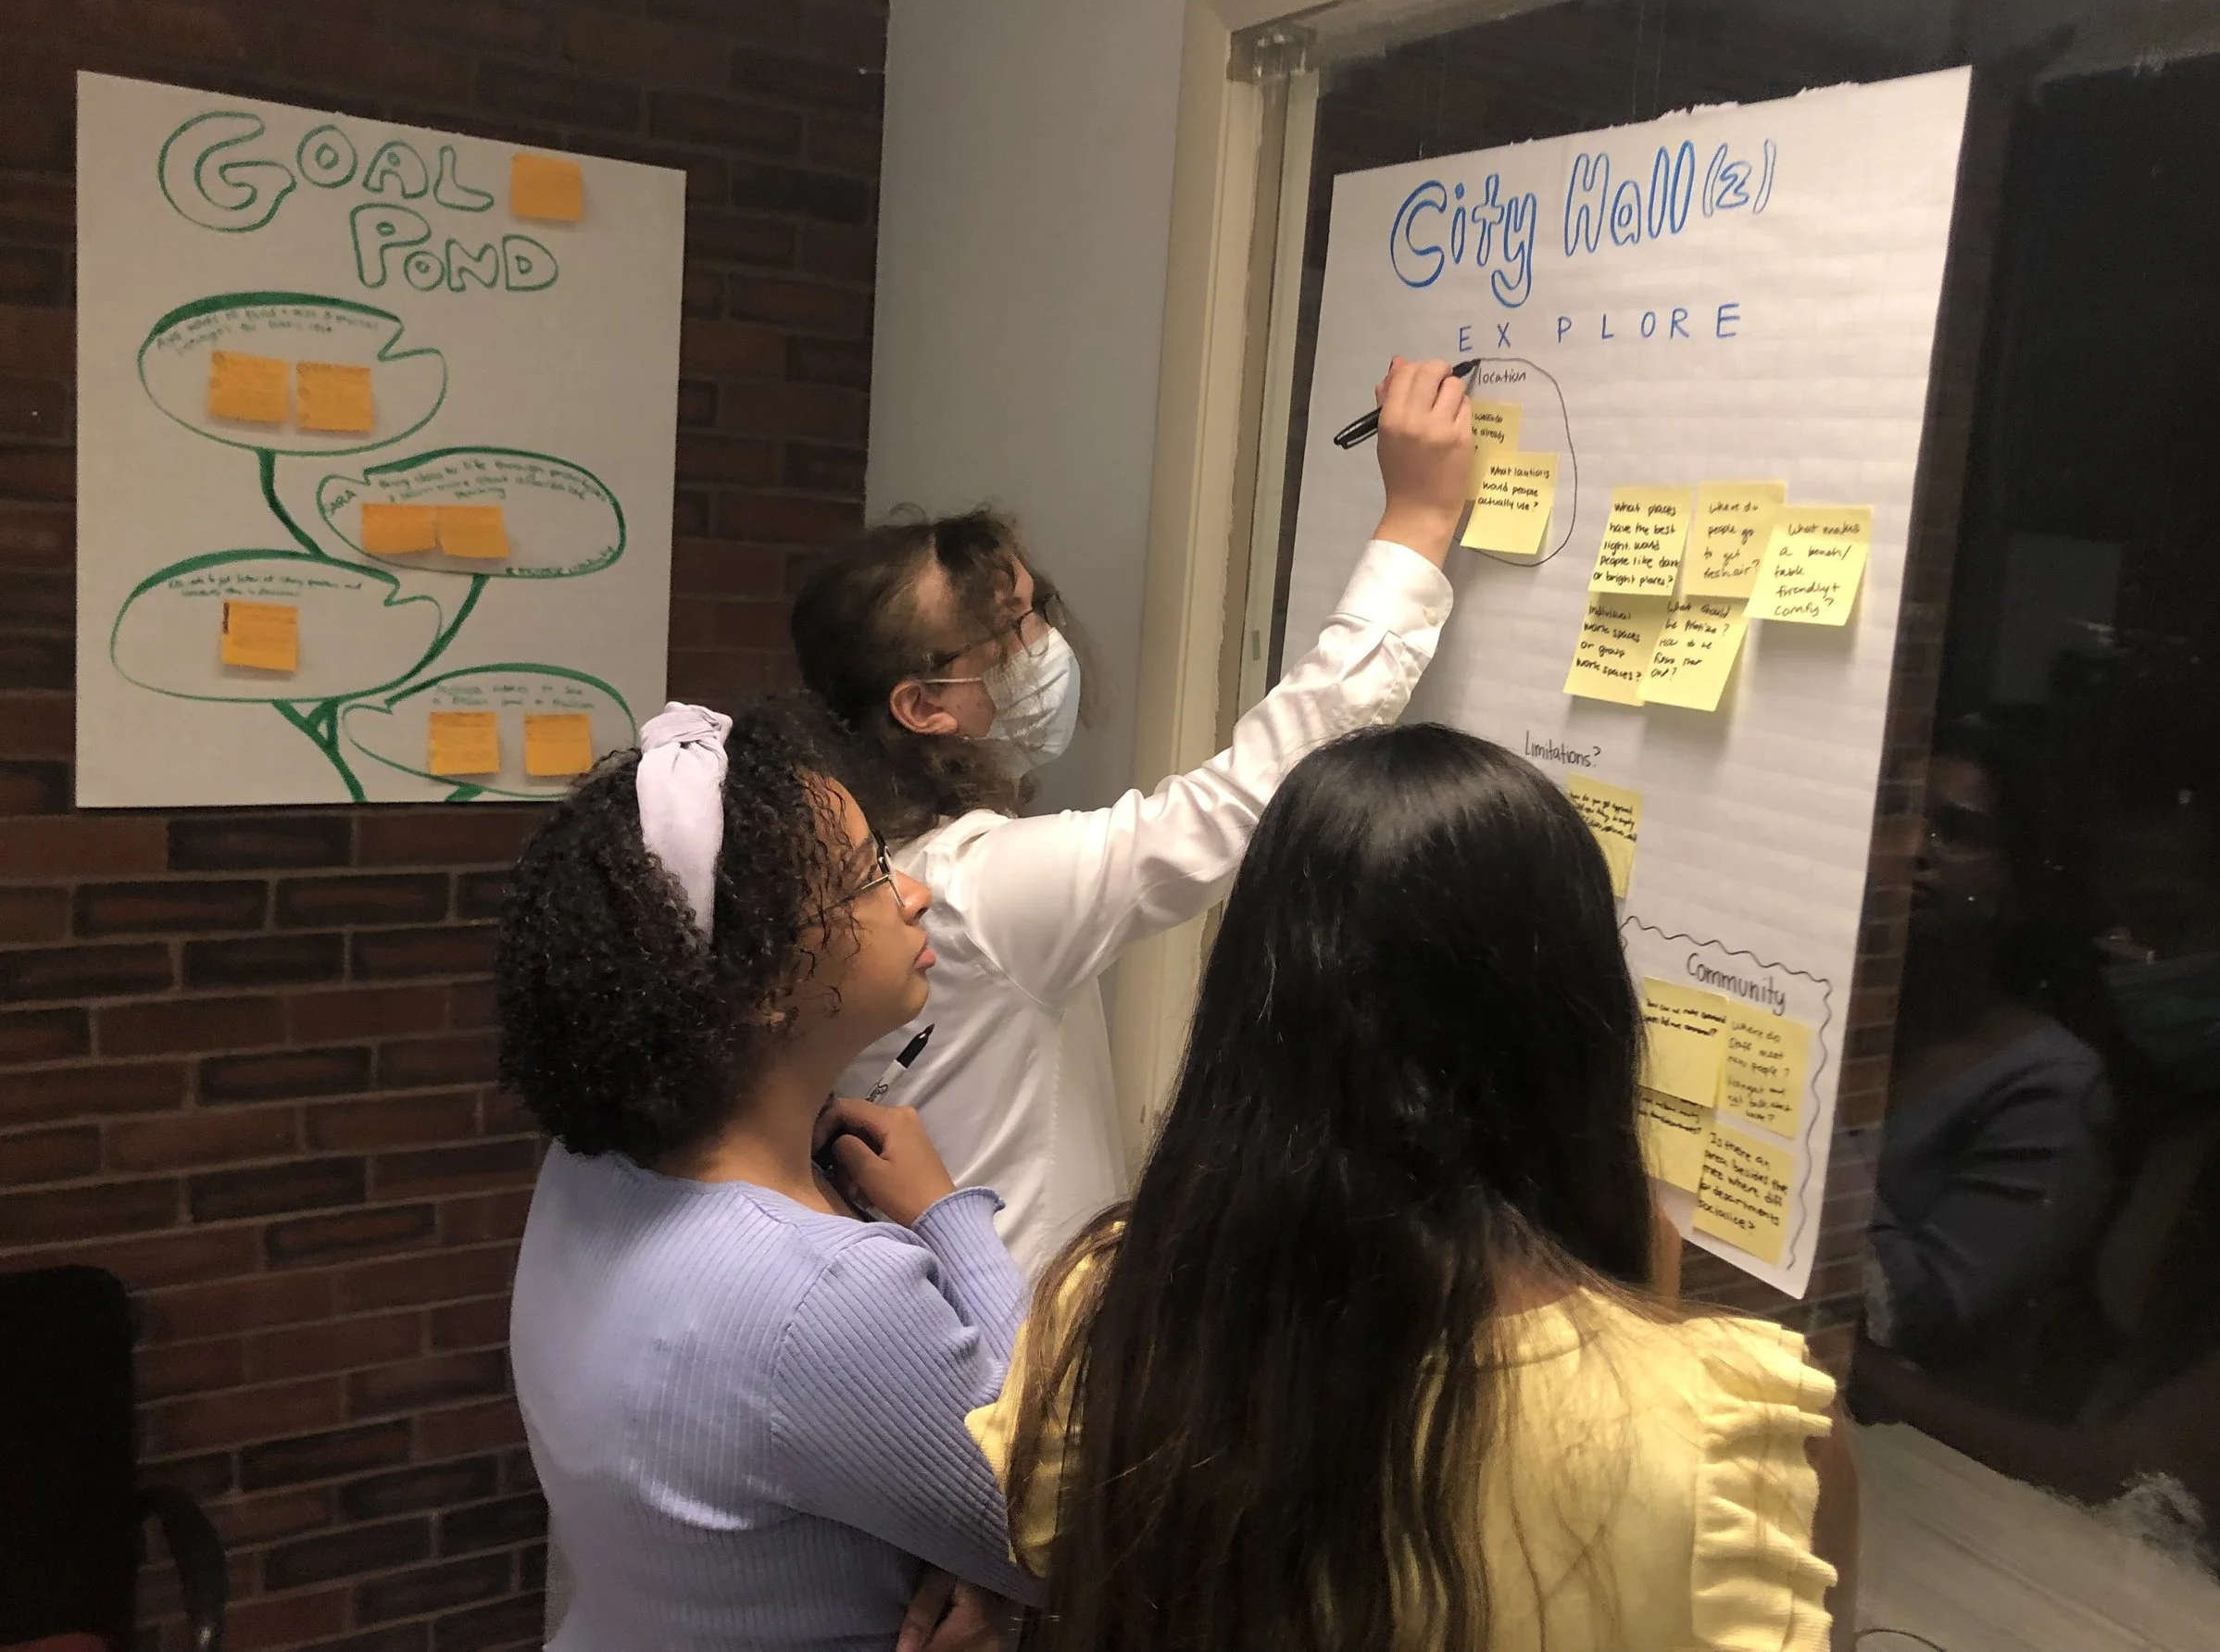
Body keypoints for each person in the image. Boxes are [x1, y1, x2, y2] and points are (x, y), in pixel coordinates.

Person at [967, 724, 1857, 1652]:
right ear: (1576, 1022)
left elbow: (1037, 1537)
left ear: (1252, 1007)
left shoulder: (1116, 1309)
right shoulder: (1747, 1436)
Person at [790, 358, 1471, 1266]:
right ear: (922, 707)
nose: (1045, 649)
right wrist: (1415, 525)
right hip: (1005, 1343)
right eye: (1012, 635)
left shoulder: (834, 853)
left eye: (1039, 613)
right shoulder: (974, 889)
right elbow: (1244, 801)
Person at [501, 700, 1035, 1652]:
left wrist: (956, 1543)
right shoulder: (825, 1292)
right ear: (762, 987)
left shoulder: (587, 1170)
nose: (910, 892)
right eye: (869, 876)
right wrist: (950, 1217)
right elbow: (1059, 1519)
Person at [1868, 734, 2112, 1395]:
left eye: (1956, 831)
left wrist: (1786, 1107)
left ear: (2021, 882)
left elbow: (1919, 1321)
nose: (1912, 848)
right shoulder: (1853, 1019)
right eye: (1897, 815)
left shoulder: (2049, 1085)